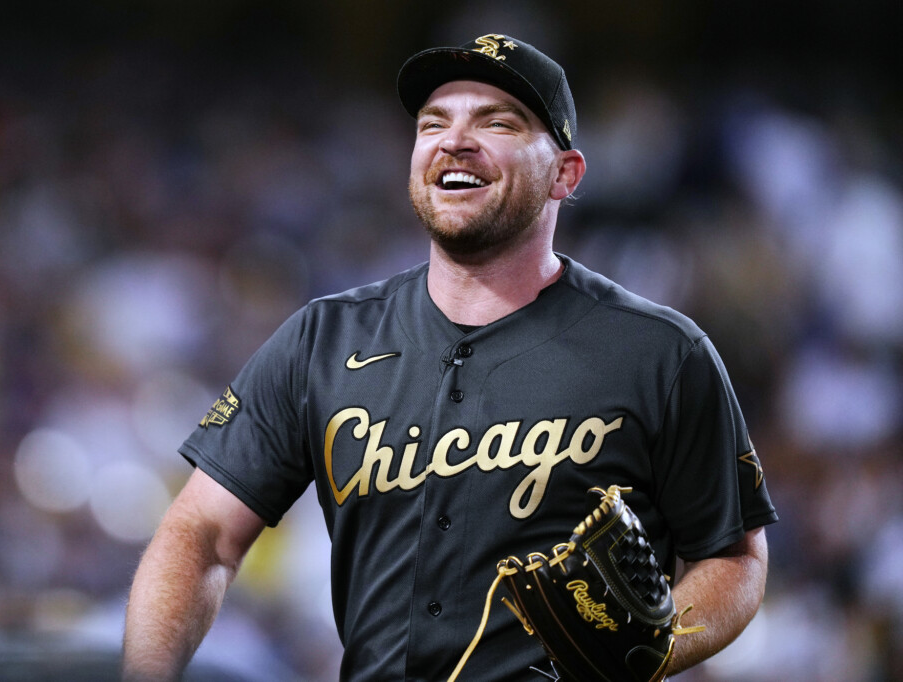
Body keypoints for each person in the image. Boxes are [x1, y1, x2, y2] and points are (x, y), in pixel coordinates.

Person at [123, 33, 777, 681]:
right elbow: (201, 532)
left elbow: (734, 557)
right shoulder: (320, 340)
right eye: (433, 122)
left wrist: (658, 647)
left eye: (497, 122)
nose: (453, 139)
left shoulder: (661, 353)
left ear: (565, 174)